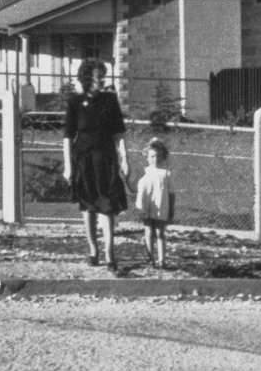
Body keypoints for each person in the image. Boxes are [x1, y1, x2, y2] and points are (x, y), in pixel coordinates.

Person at [61, 59, 129, 269]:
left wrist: (125, 159)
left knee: (107, 206)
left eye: (103, 76)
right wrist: (68, 166)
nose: (102, 81)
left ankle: (110, 254)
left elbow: (119, 134)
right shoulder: (75, 102)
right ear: (88, 78)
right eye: (99, 77)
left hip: (106, 158)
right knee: (88, 206)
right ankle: (93, 250)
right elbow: (68, 137)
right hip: (83, 159)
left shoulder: (110, 100)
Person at [133, 137, 175, 269]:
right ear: (147, 157)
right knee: (148, 232)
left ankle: (162, 260)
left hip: (161, 206)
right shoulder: (144, 173)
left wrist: (171, 209)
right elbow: (138, 188)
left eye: (157, 156)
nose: (155, 159)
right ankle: (150, 259)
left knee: (160, 233)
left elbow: (171, 193)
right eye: (152, 156)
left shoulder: (166, 173)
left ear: (162, 157)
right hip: (147, 205)